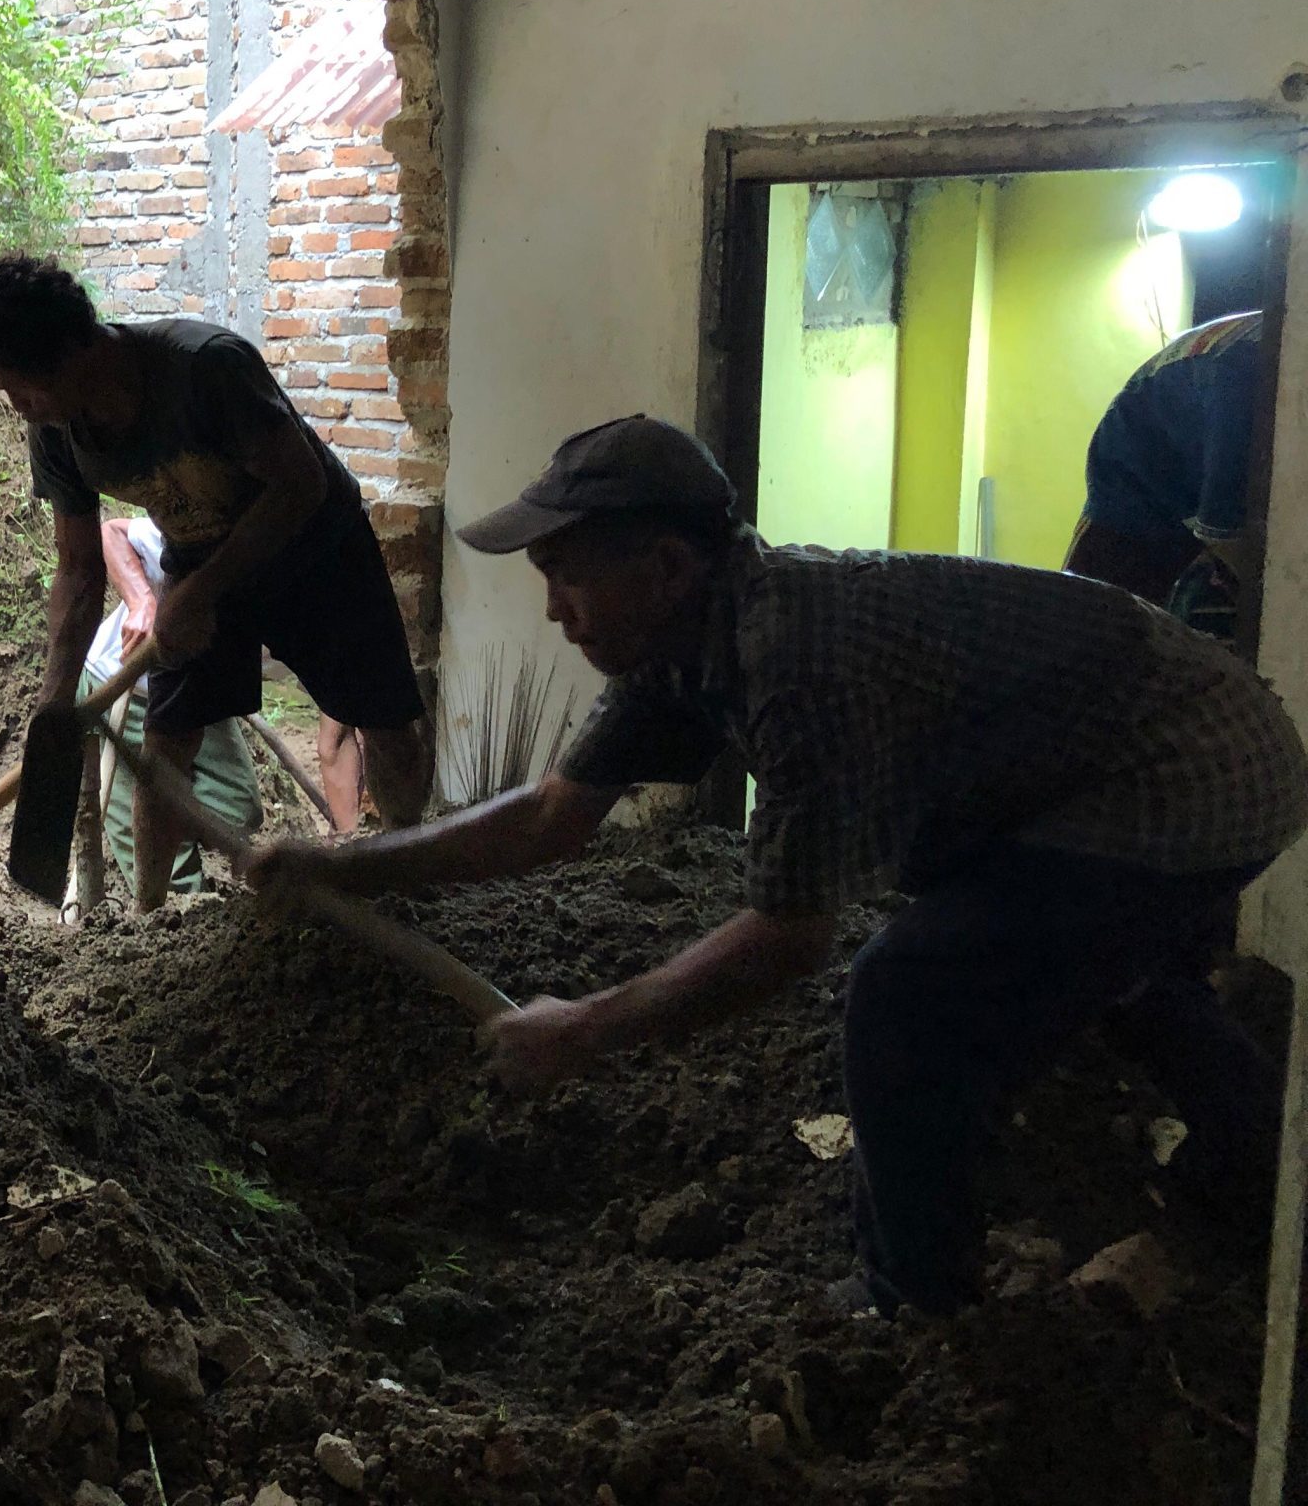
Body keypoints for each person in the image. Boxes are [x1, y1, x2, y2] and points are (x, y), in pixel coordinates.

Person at [251, 414, 1308, 1318]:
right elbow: (548, 819)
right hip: (1112, 758)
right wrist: (343, 869)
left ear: (668, 568)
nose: (553, 609)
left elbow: (789, 939)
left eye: (569, 577)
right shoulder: (681, 645)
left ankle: (915, 1301)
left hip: (1190, 766)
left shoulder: (795, 660)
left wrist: (587, 1028)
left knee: (907, 995)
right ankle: (1255, 1173)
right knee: (1090, 961)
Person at [0, 254, 430, 911]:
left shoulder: (204, 369)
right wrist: (56, 699)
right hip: (198, 555)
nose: (18, 409)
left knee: (385, 720)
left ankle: (410, 876)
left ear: (71, 350)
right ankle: (151, 920)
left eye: (22, 390)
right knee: (166, 741)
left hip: (316, 549)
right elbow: (79, 568)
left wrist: (197, 595)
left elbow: (301, 485)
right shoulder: (57, 430)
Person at [83, 513, 261, 899]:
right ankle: (172, 909)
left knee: (239, 807)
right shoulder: (198, 534)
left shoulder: (274, 568)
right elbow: (112, 531)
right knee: (170, 876)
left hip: (198, 688)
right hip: (125, 684)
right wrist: (141, 602)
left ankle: (167, 820)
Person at [1065, 309, 1264, 640]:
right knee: (1082, 629)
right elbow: (1235, 544)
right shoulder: (1249, 378)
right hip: (1131, 498)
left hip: (1184, 480)